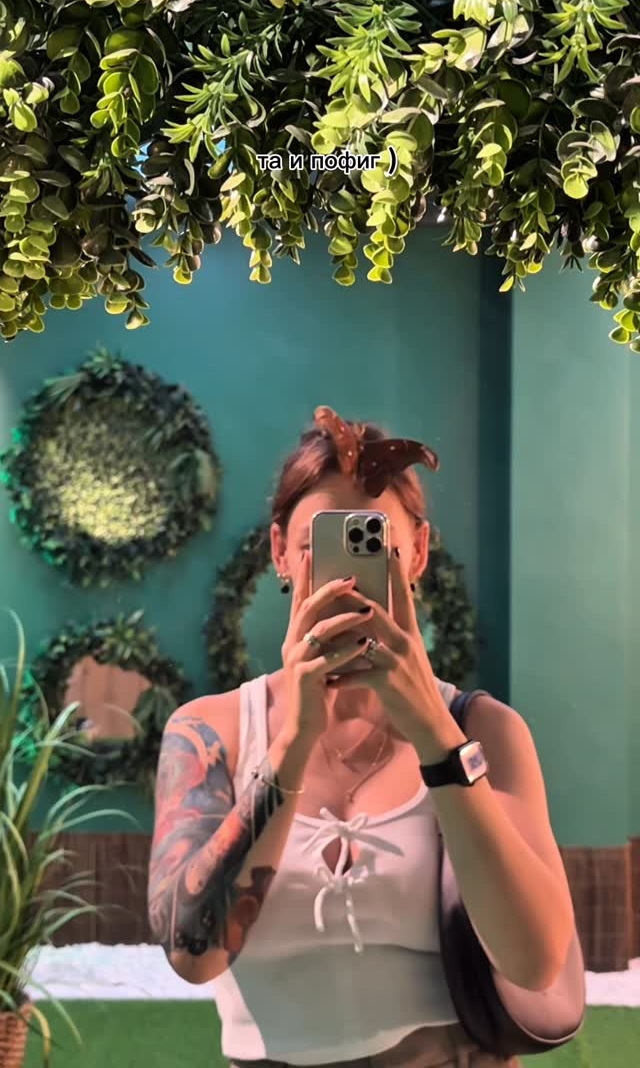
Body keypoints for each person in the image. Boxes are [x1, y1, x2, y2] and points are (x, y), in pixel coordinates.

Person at [147, 411, 576, 1068]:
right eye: (320, 546)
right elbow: (191, 954)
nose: (346, 579)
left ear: (418, 554)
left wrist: (435, 737)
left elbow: (536, 961)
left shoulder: (482, 731)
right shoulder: (212, 731)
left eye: (374, 546)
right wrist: (292, 743)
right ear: (280, 553)